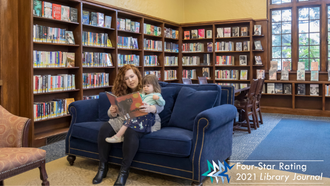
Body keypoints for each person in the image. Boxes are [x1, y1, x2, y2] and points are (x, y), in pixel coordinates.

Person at [92, 65, 164, 186]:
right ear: (123, 81)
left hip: (144, 119)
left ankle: (123, 172)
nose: (130, 80)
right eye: (126, 78)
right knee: (104, 128)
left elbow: (160, 105)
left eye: (132, 76)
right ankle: (102, 167)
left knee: (131, 131)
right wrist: (112, 111)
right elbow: (112, 115)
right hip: (124, 119)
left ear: (137, 76)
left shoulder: (146, 87)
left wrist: (150, 108)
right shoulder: (121, 92)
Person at [105, 74, 165, 143]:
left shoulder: (156, 95)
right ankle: (118, 136)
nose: (145, 88)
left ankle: (118, 136)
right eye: (144, 86)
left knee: (130, 125)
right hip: (136, 114)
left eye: (148, 86)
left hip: (147, 116)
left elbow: (162, 104)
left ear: (154, 86)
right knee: (128, 121)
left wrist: (157, 99)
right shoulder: (143, 95)